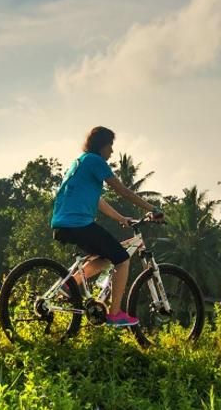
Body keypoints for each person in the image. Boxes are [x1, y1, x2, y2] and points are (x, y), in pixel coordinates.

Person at [50, 126, 161, 327]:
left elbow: (98, 201)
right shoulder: (95, 161)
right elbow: (123, 191)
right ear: (102, 145)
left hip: (62, 223)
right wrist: (153, 208)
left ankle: (69, 285)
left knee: (108, 256)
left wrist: (121, 218)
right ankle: (115, 314)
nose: (111, 152)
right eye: (110, 146)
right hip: (78, 223)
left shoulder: (81, 162)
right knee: (122, 258)